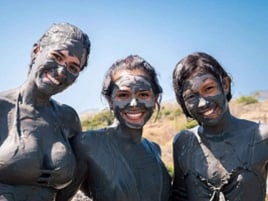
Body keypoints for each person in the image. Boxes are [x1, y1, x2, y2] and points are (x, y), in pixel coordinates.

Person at [0, 22, 90, 201]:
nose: (61, 71)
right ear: (36, 51)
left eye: (73, 67)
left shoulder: (68, 119)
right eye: (56, 56)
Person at [56, 55, 172, 201]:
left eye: (143, 94)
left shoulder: (155, 149)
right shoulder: (87, 144)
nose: (134, 103)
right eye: (123, 95)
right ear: (110, 100)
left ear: (155, 99)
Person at [171, 51, 268, 201]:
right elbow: (180, 196)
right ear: (183, 103)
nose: (203, 103)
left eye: (209, 88)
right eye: (191, 96)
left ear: (225, 85)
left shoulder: (261, 136)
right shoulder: (183, 142)